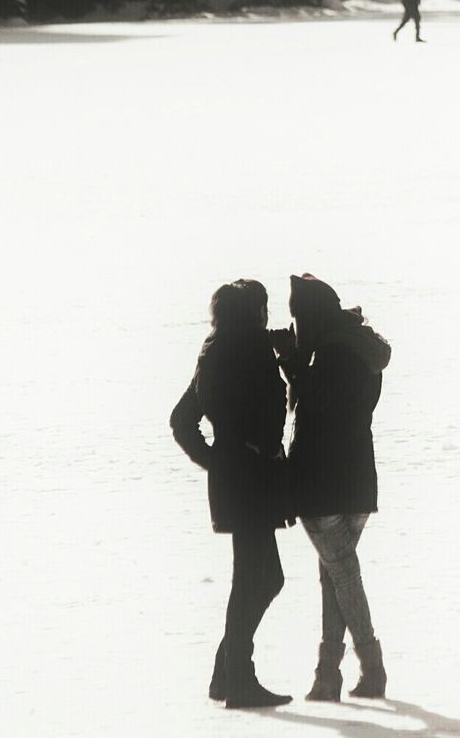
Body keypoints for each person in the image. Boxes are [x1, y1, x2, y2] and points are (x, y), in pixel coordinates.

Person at [170, 279, 294, 709]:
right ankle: (237, 679)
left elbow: (182, 420)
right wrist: (229, 459)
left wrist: (216, 460)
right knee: (252, 581)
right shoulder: (247, 352)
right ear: (251, 312)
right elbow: (266, 409)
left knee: (264, 578)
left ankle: (227, 674)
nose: (267, 314)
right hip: (251, 479)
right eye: (263, 307)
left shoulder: (216, 351)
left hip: (237, 478)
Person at [275, 274, 392, 701]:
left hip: (323, 483)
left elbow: (319, 405)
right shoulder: (359, 348)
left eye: (299, 318)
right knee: (336, 576)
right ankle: (327, 677)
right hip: (357, 479)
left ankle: (372, 669)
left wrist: (290, 362)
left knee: (343, 575)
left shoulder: (331, 354)